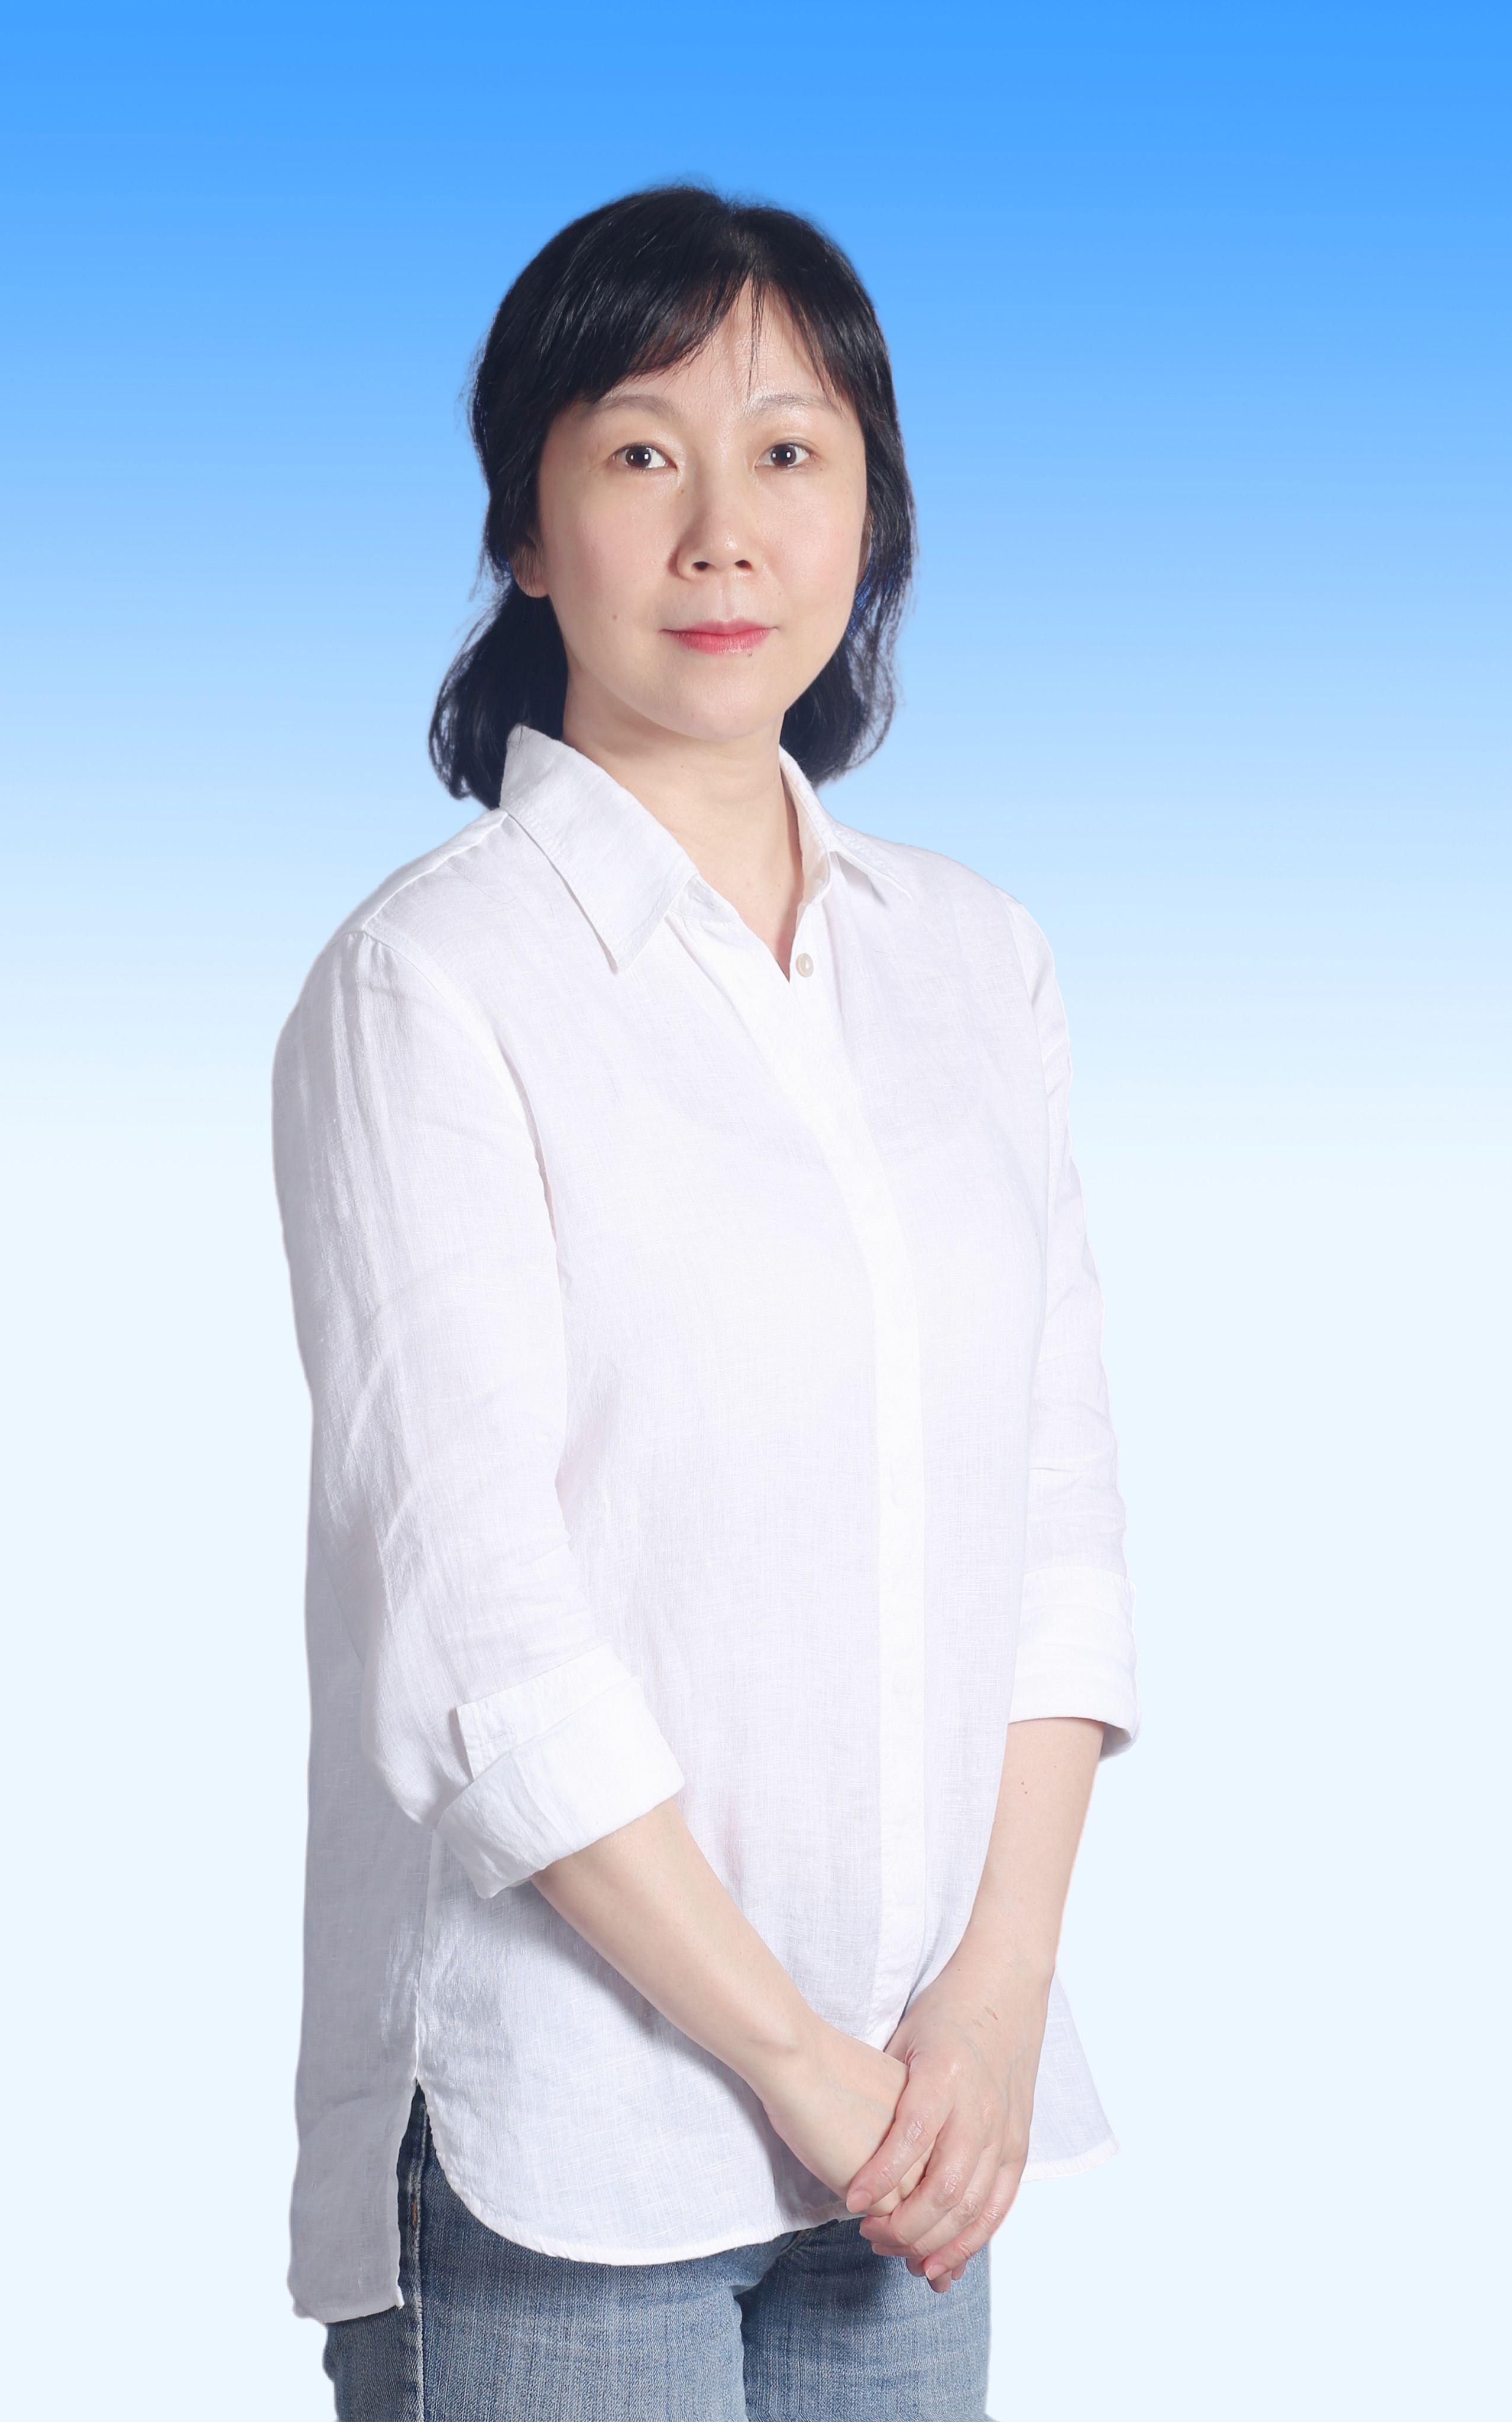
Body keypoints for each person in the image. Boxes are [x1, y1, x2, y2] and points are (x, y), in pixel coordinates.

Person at [273, 183, 1139, 2422]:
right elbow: (476, 1631)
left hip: (924, 2116)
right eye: (641, 452)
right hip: (568, 2133)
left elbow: (1053, 1526)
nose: (721, 531)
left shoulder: (977, 964)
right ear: (526, 528)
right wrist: (792, 2064)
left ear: (872, 518)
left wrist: (987, 2009)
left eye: (788, 452)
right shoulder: (432, 982)